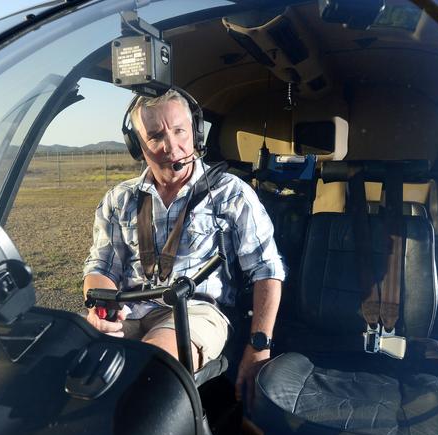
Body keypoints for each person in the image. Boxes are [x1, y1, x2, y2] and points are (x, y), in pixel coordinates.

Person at [82, 88, 285, 399]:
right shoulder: (118, 199)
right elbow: (101, 266)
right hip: (129, 312)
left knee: (145, 371)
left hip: (197, 312)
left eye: (179, 130)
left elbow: (267, 271)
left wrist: (259, 347)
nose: (171, 146)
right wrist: (101, 306)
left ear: (195, 133)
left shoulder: (231, 193)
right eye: (155, 135)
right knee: (79, 370)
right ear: (137, 146)